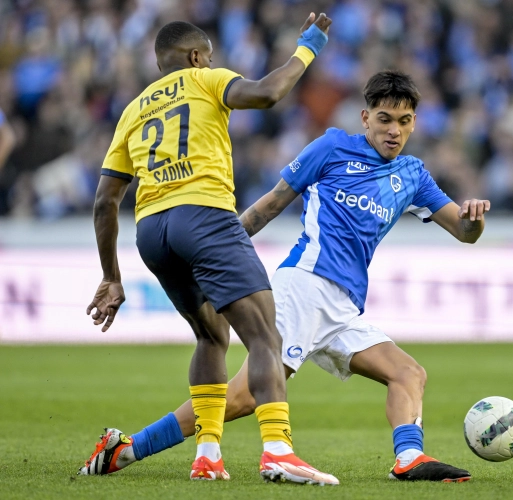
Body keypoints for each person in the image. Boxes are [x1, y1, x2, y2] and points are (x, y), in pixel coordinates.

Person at [82, 70, 490, 482]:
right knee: (242, 397)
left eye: (404, 122)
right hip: (304, 286)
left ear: (415, 123)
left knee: (408, 374)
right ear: (365, 118)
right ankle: (128, 448)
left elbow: (463, 230)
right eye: (384, 119)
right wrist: (217, 254)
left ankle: (409, 458)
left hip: (344, 305)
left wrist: (474, 219)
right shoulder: (332, 148)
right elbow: (270, 205)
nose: (394, 131)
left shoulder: (413, 175)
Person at [78, 16, 340, 486]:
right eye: (211, 57)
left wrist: (111, 276)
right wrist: (307, 50)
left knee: (211, 336)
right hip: (203, 215)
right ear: (197, 57)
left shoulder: (134, 109)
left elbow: (104, 202)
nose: (214, 64)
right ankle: (278, 450)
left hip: (152, 231)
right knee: (264, 337)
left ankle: (207, 454)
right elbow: (265, 93)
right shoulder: (205, 80)